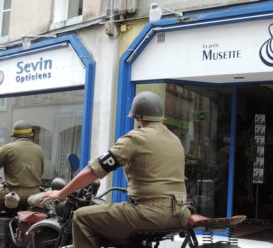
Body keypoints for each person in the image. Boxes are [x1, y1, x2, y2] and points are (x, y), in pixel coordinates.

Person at [41, 91, 188, 248]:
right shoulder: (175, 139)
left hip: (151, 213)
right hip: (180, 212)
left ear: (138, 117)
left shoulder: (136, 138)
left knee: (82, 217)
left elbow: (94, 170)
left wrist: (61, 193)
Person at [0, 120, 44, 212]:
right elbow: (41, 172)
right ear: (30, 134)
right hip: (35, 195)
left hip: (13, 194)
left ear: (15, 134)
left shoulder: (7, 149)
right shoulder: (39, 149)